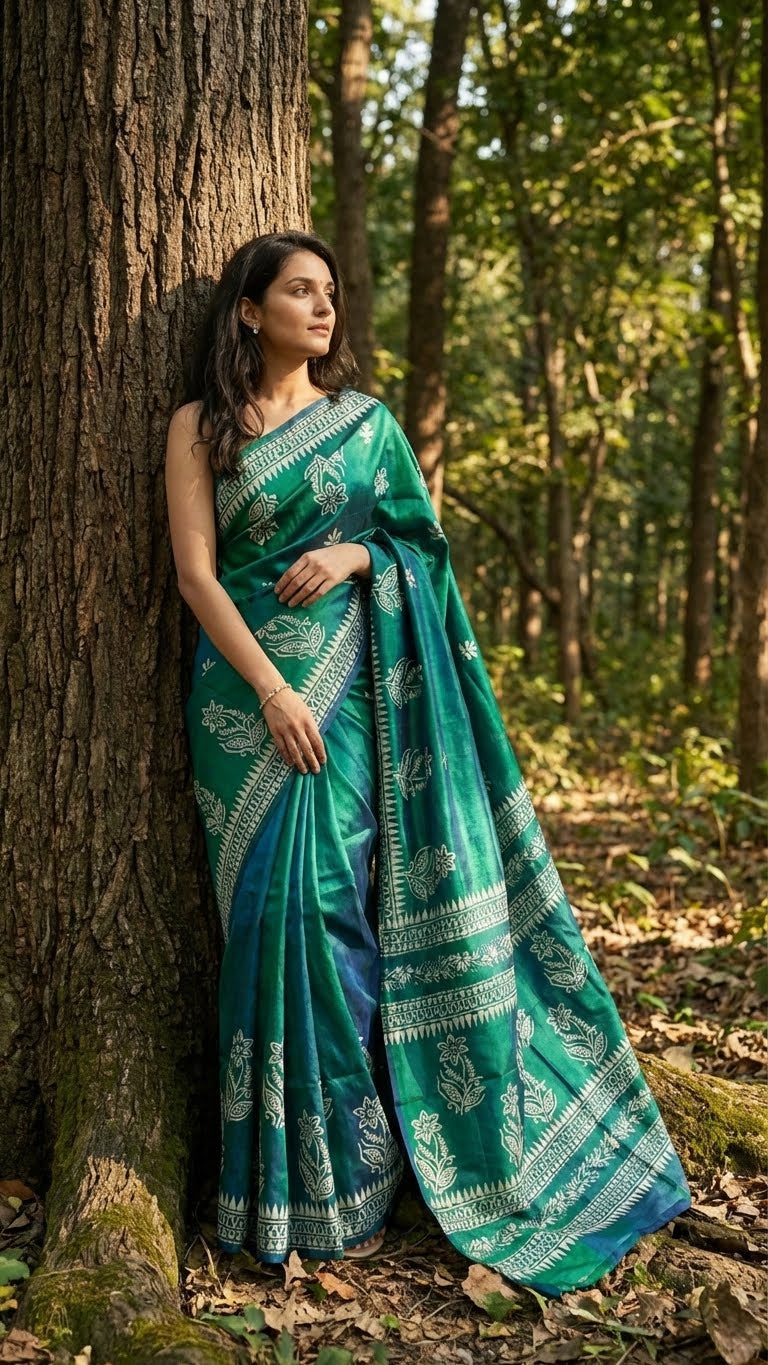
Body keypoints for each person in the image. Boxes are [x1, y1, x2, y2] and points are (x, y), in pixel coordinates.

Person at [165, 229, 690, 1294]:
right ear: (249, 311)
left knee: (326, 909)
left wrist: (358, 552)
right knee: (262, 918)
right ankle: (272, 1190)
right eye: (300, 293)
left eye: (331, 294)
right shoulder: (198, 428)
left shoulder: (366, 429)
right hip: (241, 706)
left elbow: (424, 549)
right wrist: (268, 690)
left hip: (352, 697)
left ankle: (352, 1179)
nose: (324, 310)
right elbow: (194, 576)